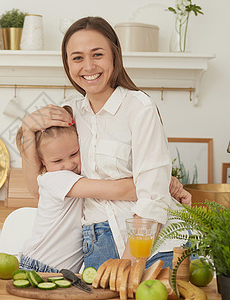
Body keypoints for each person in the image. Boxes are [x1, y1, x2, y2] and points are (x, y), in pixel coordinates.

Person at [18, 16, 191, 271]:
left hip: (153, 244)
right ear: (67, 64)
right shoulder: (69, 113)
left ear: (114, 56)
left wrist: (129, 261)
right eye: (77, 58)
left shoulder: (139, 107)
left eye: (97, 54)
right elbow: (38, 188)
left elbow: (152, 196)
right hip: (95, 244)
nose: (88, 66)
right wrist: (26, 129)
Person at [16, 113, 137, 273]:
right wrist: (156, 183)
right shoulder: (56, 179)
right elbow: (121, 190)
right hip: (40, 266)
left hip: (57, 270)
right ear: (43, 161)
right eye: (57, 161)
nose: (68, 164)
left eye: (74, 154)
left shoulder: (74, 177)